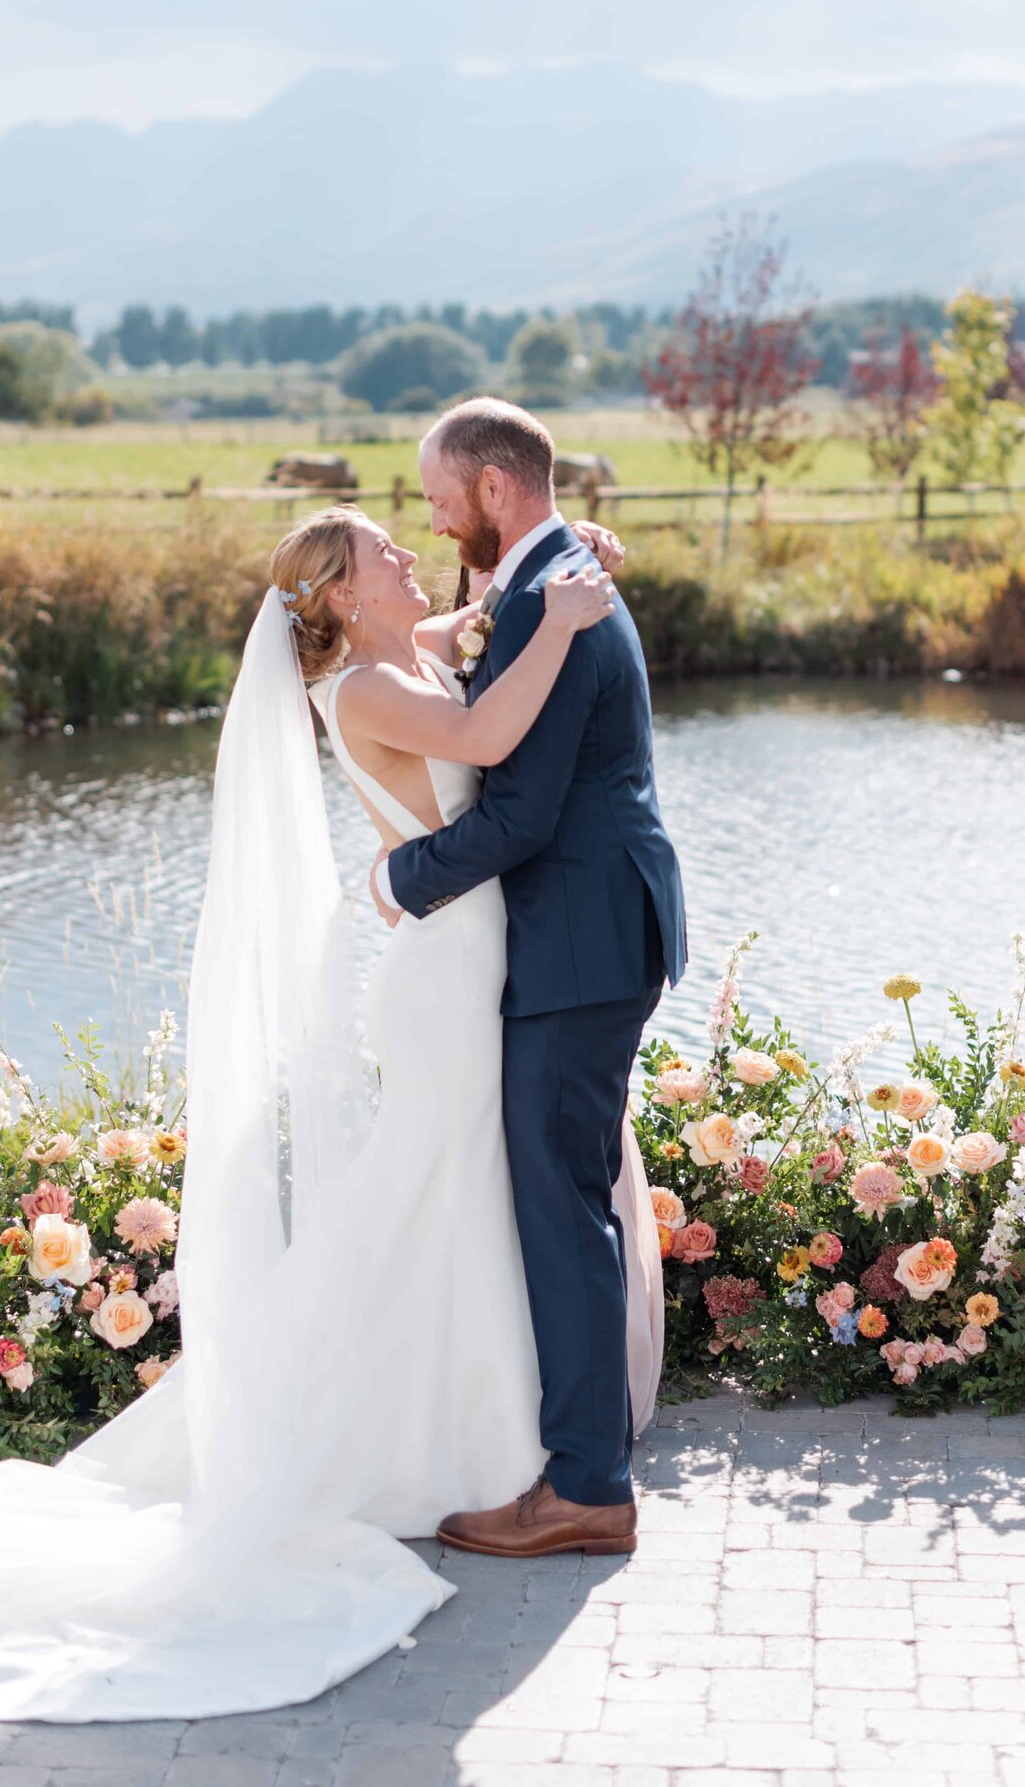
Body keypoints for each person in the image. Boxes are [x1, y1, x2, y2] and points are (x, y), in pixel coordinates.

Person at [0, 498, 663, 1723]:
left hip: (470, 958)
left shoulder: (405, 652)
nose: (410, 553)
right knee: (432, 1189)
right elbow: (496, 725)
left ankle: (492, 1432)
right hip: (447, 977)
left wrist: (567, 566)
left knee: (452, 1195)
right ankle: (383, 1426)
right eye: (386, 552)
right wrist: (563, 617)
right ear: (342, 592)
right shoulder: (369, 693)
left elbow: (471, 625)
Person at [373, 397, 686, 1558]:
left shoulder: (552, 593)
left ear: (493, 487)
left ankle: (587, 1488)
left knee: (561, 1212)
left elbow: (519, 811)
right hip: (595, 931)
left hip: (579, 941)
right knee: (573, 1199)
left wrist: (400, 879)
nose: (433, 514)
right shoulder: (556, 573)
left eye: (440, 495)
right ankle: (584, 1455)